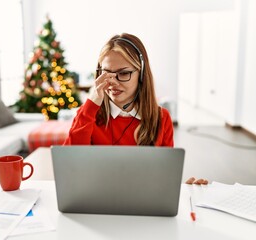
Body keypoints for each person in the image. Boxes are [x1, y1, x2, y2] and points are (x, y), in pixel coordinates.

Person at [64, 33, 207, 185]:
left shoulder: (161, 118)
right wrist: (90, 105)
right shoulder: (87, 115)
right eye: (106, 73)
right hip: (95, 200)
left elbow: (164, 180)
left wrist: (183, 191)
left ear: (141, 75)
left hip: (144, 205)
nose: (112, 82)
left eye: (123, 73)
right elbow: (69, 167)